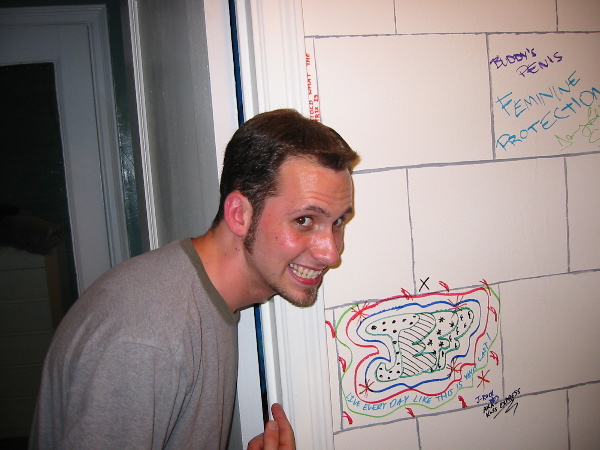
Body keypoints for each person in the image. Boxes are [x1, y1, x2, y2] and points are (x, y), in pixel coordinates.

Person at [29, 109, 359, 449]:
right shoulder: (148, 337)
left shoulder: (200, 304)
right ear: (239, 215)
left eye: (337, 222)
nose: (331, 253)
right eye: (305, 220)